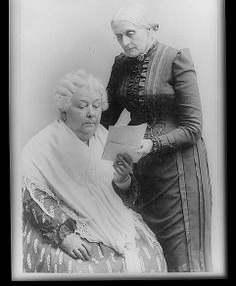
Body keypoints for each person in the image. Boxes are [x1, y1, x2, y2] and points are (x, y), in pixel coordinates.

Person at [101, 3, 212, 272]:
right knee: (148, 258)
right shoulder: (121, 65)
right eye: (118, 37)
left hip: (179, 175)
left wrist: (154, 143)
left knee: (182, 262)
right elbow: (107, 116)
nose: (124, 42)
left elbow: (193, 127)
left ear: (152, 30)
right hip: (141, 172)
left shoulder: (176, 59)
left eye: (130, 33)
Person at [21, 69, 167, 274]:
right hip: (65, 224)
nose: (91, 113)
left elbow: (123, 196)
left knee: (149, 254)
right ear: (63, 112)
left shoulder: (104, 137)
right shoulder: (41, 146)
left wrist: (122, 179)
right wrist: (66, 237)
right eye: (81, 106)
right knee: (81, 269)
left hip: (112, 217)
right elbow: (33, 199)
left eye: (96, 106)